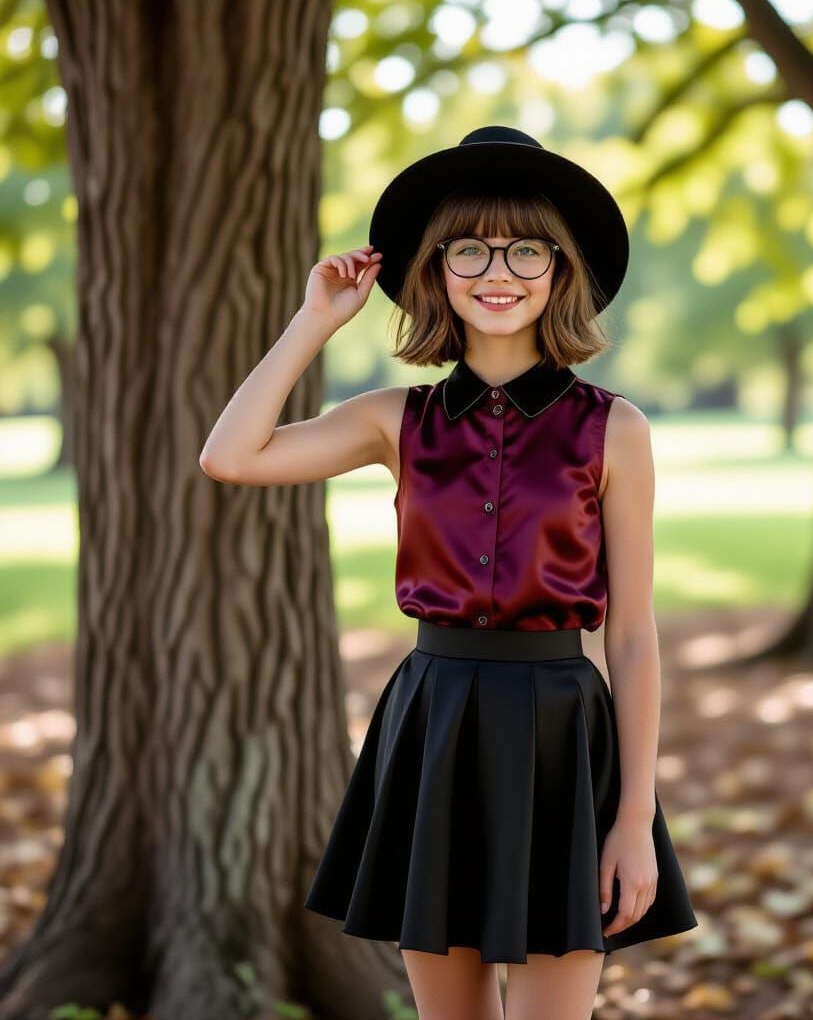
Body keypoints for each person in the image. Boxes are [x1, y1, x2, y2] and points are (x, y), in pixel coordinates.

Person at [200, 126, 697, 1020]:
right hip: (435, 729)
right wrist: (314, 319)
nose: (496, 270)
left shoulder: (613, 428)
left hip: (562, 737)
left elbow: (631, 633)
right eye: (468, 247)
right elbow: (231, 456)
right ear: (434, 271)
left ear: (559, 270)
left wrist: (632, 820)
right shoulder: (396, 419)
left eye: (524, 249)